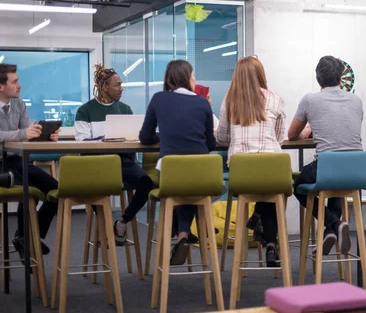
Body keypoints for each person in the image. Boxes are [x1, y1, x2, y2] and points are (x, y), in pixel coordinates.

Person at [139, 60, 216, 265]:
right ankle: (183, 234)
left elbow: (145, 137)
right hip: (202, 175)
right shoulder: (202, 102)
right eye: (193, 76)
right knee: (191, 187)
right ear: (187, 78)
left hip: (170, 175)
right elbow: (210, 143)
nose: (195, 80)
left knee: (180, 185)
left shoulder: (158, 99)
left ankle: (181, 234)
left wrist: (165, 135)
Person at [288, 55, 363, 256]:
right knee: (335, 182)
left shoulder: (310, 99)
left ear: (317, 78)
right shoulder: (356, 100)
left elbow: (292, 135)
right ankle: (330, 231)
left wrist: (310, 129)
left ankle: (334, 223)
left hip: (328, 167)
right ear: (341, 79)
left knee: (299, 186)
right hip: (357, 170)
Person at [216, 56, 286, 267]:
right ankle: (271, 243)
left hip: (242, 175)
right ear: (261, 75)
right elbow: (279, 138)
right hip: (272, 170)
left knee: (258, 183)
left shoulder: (229, 100)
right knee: (271, 191)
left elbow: (222, 138)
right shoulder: (276, 99)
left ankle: (258, 220)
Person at [75, 63, 154, 247]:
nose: (121, 88)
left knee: (146, 182)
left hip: (123, 161)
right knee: (94, 189)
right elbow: (81, 143)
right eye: (117, 84)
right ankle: (104, 228)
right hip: (97, 163)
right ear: (104, 87)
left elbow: (134, 138)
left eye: (121, 84)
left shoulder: (125, 109)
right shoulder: (85, 111)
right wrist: (102, 140)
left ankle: (123, 222)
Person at [0, 63, 59, 257]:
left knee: (57, 191)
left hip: (17, 161)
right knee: (27, 189)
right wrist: (24, 133)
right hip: (1, 166)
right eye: (15, 82)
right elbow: (14, 134)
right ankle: (26, 238)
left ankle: (27, 236)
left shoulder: (19, 104)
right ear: (1, 86)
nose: (19, 85)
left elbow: (27, 135)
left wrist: (45, 135)